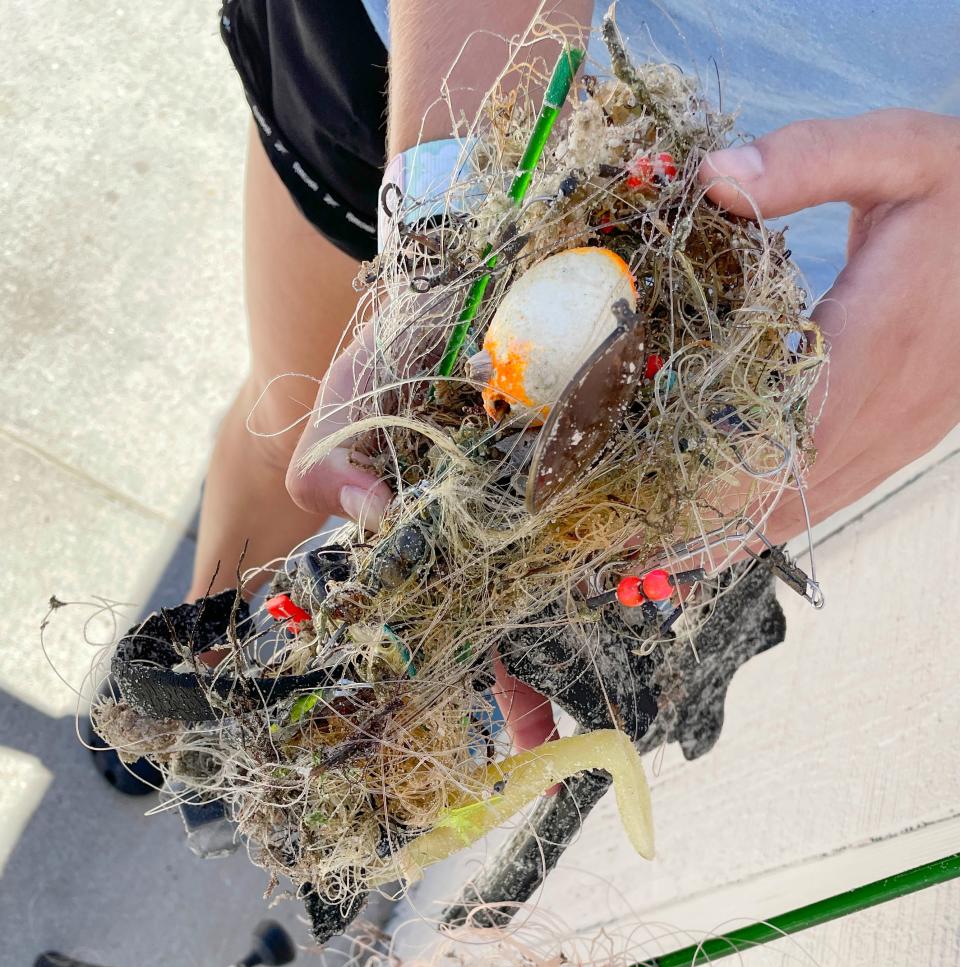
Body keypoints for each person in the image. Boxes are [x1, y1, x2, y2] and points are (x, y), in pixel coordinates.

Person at [106, 1, 960, 789]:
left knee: (536, 557)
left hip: (792, 253)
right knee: (303, 426)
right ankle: (195, 686)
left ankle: (326, 747)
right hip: (429, 78)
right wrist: (442, 236)